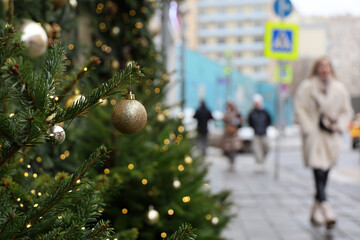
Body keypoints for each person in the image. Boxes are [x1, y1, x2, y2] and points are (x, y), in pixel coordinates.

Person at [294, 56, 353, 229]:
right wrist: (308, 128)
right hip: (314, 136)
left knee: (325, 171)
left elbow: (346, 111)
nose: (324, 69)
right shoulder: (307, 87)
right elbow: (299, 108)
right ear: (316, 68)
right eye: (321, 66)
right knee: (317, 170)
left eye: (327, 66)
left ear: (331, 69)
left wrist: (339, 126)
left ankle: (315, 209)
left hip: (330, 136)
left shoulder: (339, 88)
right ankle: (326, 208)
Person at [248, 94, 271, 172]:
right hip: (256, 134)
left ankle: (262, 160)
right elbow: (250, 122)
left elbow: (269, 121)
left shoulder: (265, 112)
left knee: (266, 147)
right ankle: (259, 163)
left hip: (264, 133)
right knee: (257, 150)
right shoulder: (252, 113)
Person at [222, 102, 242, 171]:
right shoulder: (226, 113)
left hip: (233, 134)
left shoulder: (236, 113)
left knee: (233, 149)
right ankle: (230, 161)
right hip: (227, 134)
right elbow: (224, 119)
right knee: (227, 149)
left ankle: (232, 162)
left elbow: (239, 122)